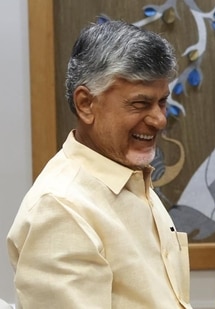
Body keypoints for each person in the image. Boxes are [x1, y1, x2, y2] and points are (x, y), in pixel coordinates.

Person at [7, 20, 193, 308]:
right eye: (140, 104)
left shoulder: (131, 177)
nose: (160, 120)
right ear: (85, 104)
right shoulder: (60, 208)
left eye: (162, 102)